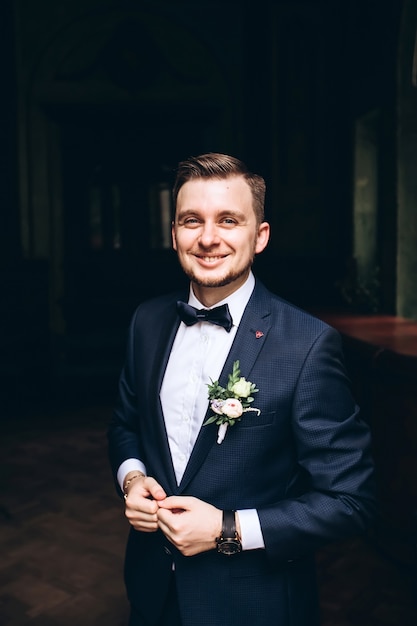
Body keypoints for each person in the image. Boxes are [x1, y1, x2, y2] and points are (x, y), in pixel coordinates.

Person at [107, 152, 376, 626]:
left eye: (228, 220)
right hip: (152, 591)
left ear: (260, 236)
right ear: (174, 234)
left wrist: (226, 529)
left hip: (253, 605)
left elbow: (350, 500)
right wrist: (131, 479)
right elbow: (126, 425)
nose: (208, 238)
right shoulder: (144, 322)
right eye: (192, 220)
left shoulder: (308, 345)